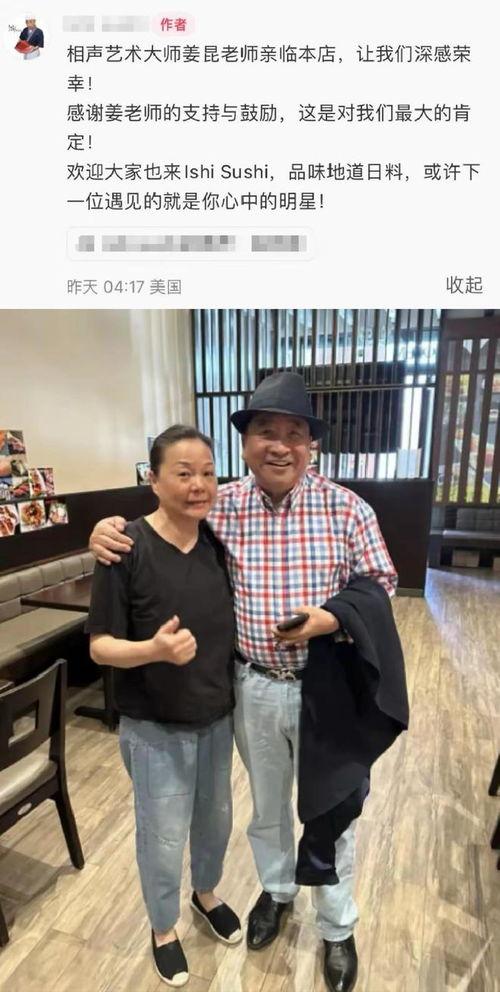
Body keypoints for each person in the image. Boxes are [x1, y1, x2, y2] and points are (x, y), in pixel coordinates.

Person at [90, 372, 398, 992]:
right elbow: (159, 525)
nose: (280, 446)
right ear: (247, 443)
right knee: (266, 810)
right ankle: (277, 893)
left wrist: (331, 618)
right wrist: (101, 530)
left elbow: (382, 585)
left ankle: (337, 925)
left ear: (312, 444)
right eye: (266, 432)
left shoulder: (347, 508)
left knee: (333, 811)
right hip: (251, 687)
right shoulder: (221, 505)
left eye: (294, 434)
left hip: (326, 689)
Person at [86, 425, 241, 988]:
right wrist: (153, 650)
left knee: (215, 820)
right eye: (183, 473)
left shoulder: (218, 542)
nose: (199, 485)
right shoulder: (124, 546)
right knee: (163, 834)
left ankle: (206, 893)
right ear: (152, 480)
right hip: (154, 726)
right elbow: (100, 646)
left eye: (208, 473)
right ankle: (162, 927)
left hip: (216, 715)